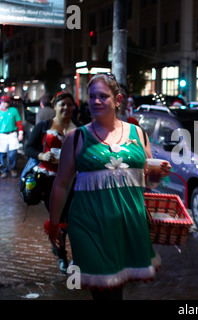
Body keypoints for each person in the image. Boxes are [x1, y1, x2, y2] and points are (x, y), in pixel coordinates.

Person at [46, 73, 171, 300]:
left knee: (117, 290)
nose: (95, 102)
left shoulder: (138, 134)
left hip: (129, 224)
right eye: (92, 96)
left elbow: (148, 182)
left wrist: (157, 174)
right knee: (104, 293)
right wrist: (54, 223)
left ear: (118, 99)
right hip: (89, 225)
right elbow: (61, 184)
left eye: (103, 96)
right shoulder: (76, 137)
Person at [25, 91, 78, 273]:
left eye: (70, 104)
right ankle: (62, 255)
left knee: (74, 220)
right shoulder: (43, 126)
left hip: (73, 181)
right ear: (55, 105)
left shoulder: (78, 129)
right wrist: (42, 155)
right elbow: (29, 148)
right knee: (58, 219)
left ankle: (70, 254)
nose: (66, 108)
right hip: (49, 181)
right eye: (62, 104)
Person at [0, 95, 24, 178]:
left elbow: (18, 122)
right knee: (2, 154)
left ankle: (12, 168)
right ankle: (4, 170)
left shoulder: (13, 111)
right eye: (3, 102)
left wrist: (20, 133)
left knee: (13, 153)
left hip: (12, 134)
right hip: (2, 135)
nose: (4, 104)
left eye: (6, 102)